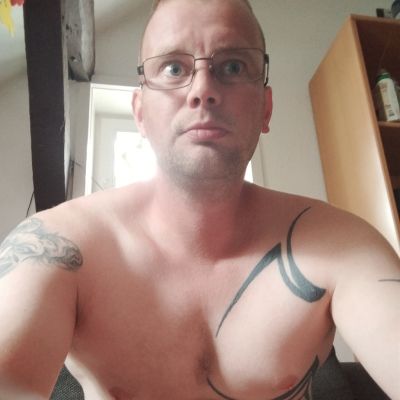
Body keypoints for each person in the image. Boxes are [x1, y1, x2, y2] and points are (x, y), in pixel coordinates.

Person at [0, 0, 399, 399]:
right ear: (140, 113)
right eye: (173, 68)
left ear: (265, 107)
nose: (203, 90)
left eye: (233, 66)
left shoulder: (343, 246)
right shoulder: (59, 246)